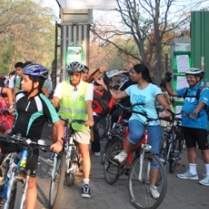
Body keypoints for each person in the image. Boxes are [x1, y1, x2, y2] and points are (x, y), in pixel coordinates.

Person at [0, 63, 64, 209]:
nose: (21, 82)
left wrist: (60, 142)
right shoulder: (19, 95)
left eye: (25, 80)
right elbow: (16, 113)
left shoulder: (44, 103)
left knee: (31, 181)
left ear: (36, 83)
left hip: (32, 145)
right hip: (14, 138)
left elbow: (58, 124)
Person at [102, 63, 172, 199]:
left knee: (155, 156)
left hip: (153, 122)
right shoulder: (132, 88)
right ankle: (124, 153)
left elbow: (164, 103)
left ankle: (152, 186)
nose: (130, 75)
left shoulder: (153, 88)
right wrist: (106, 86)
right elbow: (116, 96)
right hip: (137, 119)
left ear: (140, 74)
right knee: (136, 134)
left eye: (132, 72)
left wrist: (167, 110)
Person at [52, 61, 94, 198]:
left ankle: (86, 184)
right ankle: (57, 153)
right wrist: (53, 109)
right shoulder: (62, 86)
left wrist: (90, 118)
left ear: (81, 75)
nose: (74, 77)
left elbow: (88, 103)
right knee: (55, 130)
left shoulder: (88, 87)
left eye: (77, 74)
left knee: (84, 152)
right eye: (71, 74)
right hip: (64, 119)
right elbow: (56, 100)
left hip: (81, 123)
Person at [163, 68, 209, 186]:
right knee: (190, 148)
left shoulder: (203, 90)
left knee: (204, 149)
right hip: (187, 124)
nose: (189, 79)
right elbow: (172, 93)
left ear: (198, 78)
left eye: (192, 77)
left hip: (199, 125)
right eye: (188, 77)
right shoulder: (187, 90)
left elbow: (202, 102)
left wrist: (195, 111)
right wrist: (167, 81)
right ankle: (192, 172)